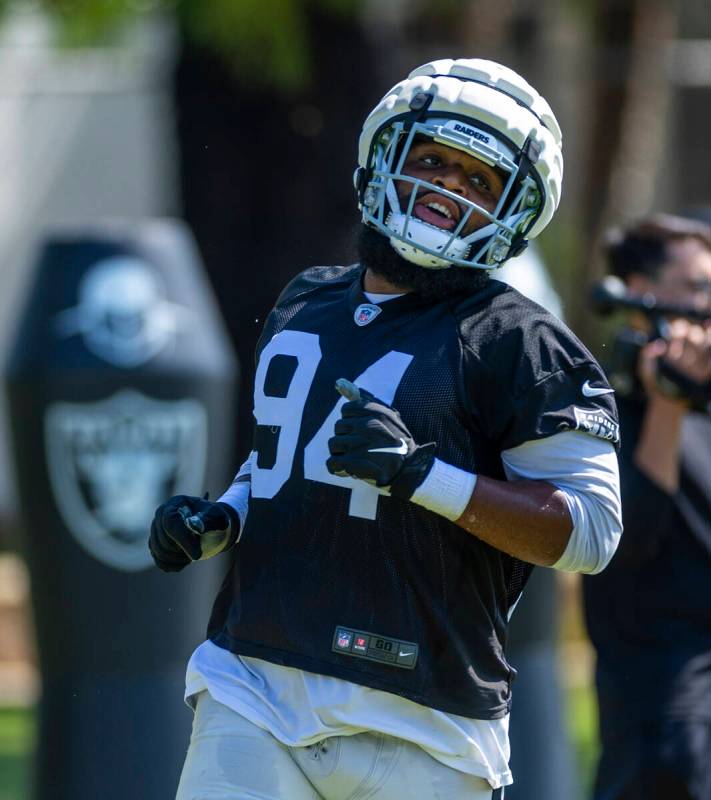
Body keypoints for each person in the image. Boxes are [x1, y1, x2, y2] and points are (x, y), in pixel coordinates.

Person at [149, 58, 622, 799]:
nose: (446, 189)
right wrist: (224, 516)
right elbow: (285, 459)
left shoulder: (524, 343)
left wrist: (421, 476)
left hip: (427, 717)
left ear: (514, 213)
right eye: (432, 161)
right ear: (382, 161)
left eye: (478, 181)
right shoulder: (306, 300)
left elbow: (591, 532)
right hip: (256, 682)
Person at [583, 214, 711, 800]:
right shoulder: (598, 411)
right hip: (664, 723)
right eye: (698, 288)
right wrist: (667, 405)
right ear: (639, 294)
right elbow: (622, 544)